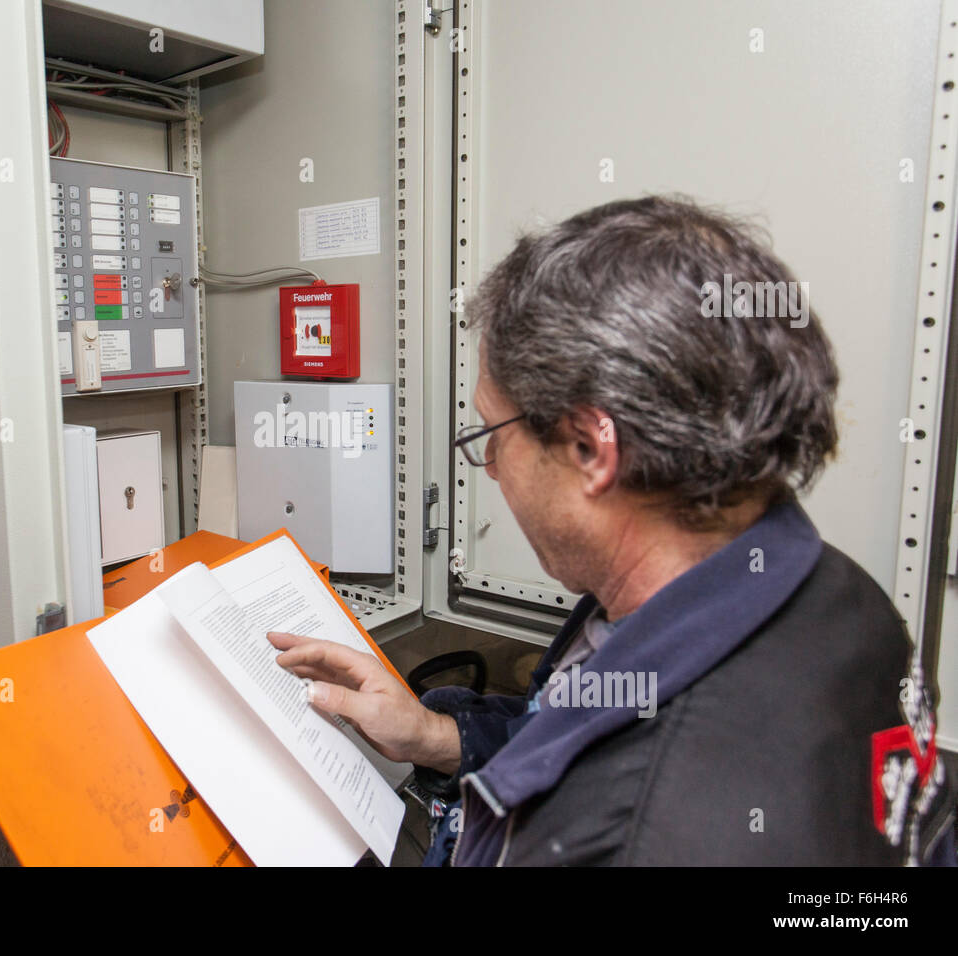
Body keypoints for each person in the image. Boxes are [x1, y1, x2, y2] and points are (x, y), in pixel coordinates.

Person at [269, 195, 956, 865]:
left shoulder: (646, 832)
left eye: (491, 434)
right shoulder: (838, 595)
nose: (490, 469)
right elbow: (574, 741)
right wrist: (435, 736)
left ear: (592, 450)